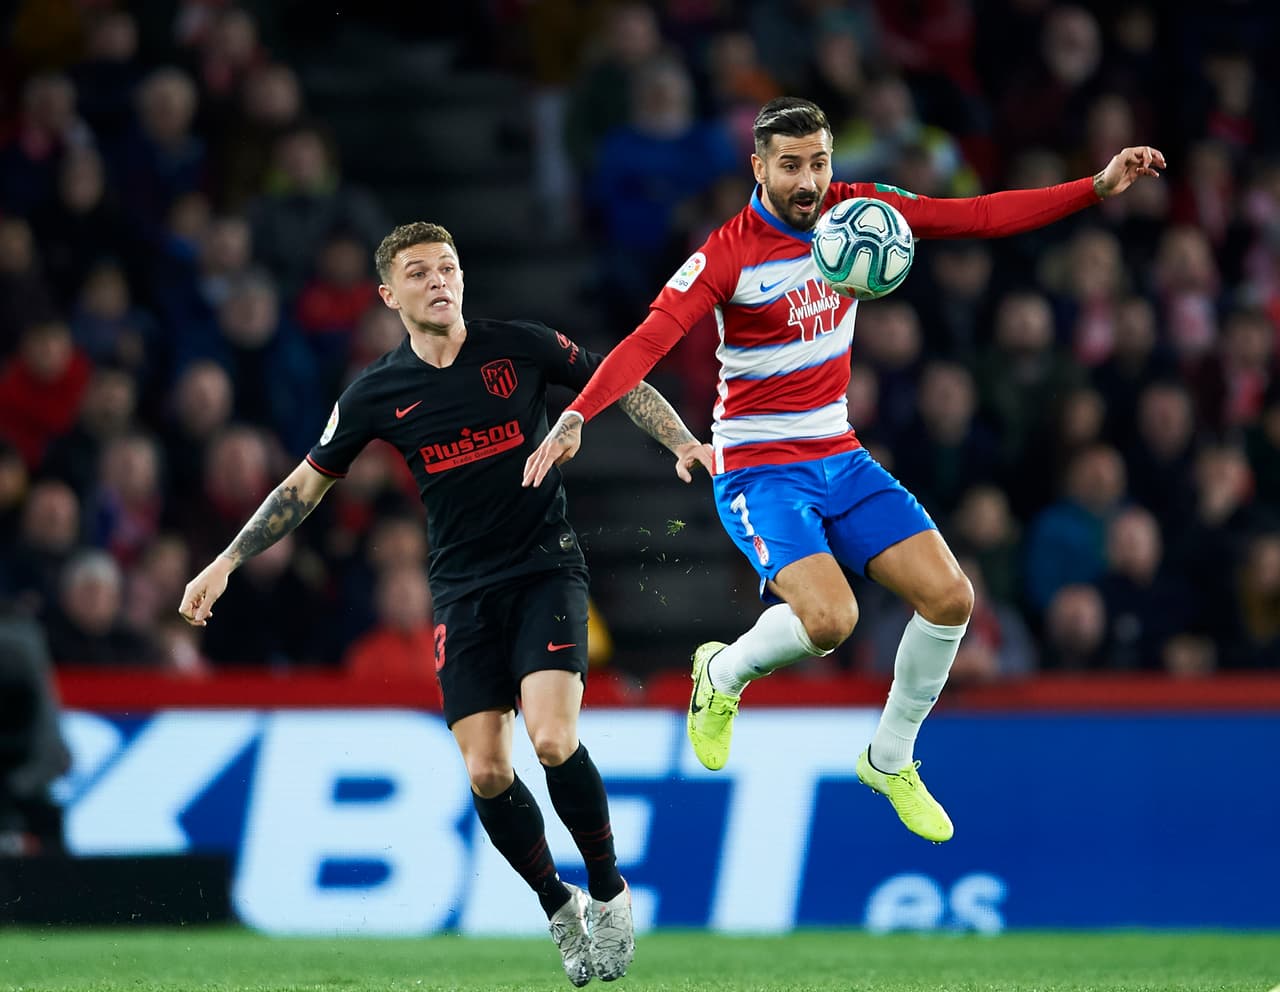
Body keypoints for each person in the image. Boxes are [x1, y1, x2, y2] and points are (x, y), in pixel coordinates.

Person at [523, 96, 1164, 844]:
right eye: (790, 166)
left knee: (951, 599)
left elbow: (980, 216)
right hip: (759, 467)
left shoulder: (864, 213)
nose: (808, 181)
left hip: (839, 451)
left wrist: (1094, 186)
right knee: (831, 621)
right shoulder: (727, 254)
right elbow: (645, 341)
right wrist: (576, 415)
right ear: (758, 167)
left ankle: (889, 757)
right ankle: (721, 675)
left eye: (819, 163)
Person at [179, 221, 711, 986]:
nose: (439, 281)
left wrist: (681, 441)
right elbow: (304, 485)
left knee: (553, 739)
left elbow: (618, 378)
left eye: (449, 267)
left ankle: (608, 891)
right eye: (420, 272)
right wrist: (226, 561)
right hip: (462, 592)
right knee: (488, 771)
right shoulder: (376, 391)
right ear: (389, 294)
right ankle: (557, 904)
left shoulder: (518, 345)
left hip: (544, 570)